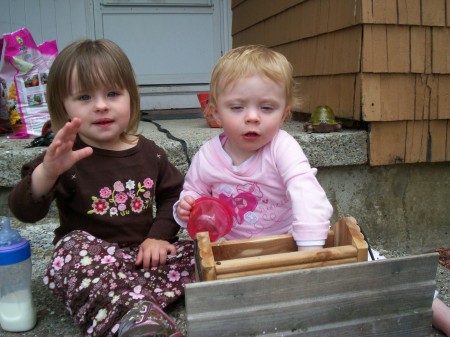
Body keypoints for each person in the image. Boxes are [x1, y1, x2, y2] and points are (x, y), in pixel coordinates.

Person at [8, 39, 195, 337]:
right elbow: (24, 211)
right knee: (70, 250)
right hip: (89, 264)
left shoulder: (152, 153)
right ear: (63, 107)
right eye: (84, 96)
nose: (101, 105)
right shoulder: (62, 157)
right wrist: (47, 172)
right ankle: (136, 318)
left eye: (112, 93)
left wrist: (158, 237)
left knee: (201, 253)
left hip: (141, 258)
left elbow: (175, 194)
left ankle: (126, 302)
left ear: (130, 97)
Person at [175, 45, 333, 250]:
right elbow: (194, 191)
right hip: (233, 248)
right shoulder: (207, 157)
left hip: (286, 243)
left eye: (267, 108)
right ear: (215, 113)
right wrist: (187, 205)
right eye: (237, 107)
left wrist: (309, 247)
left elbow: (306, 192)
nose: (252, 117)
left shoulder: (282, 148)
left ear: (283, 115)